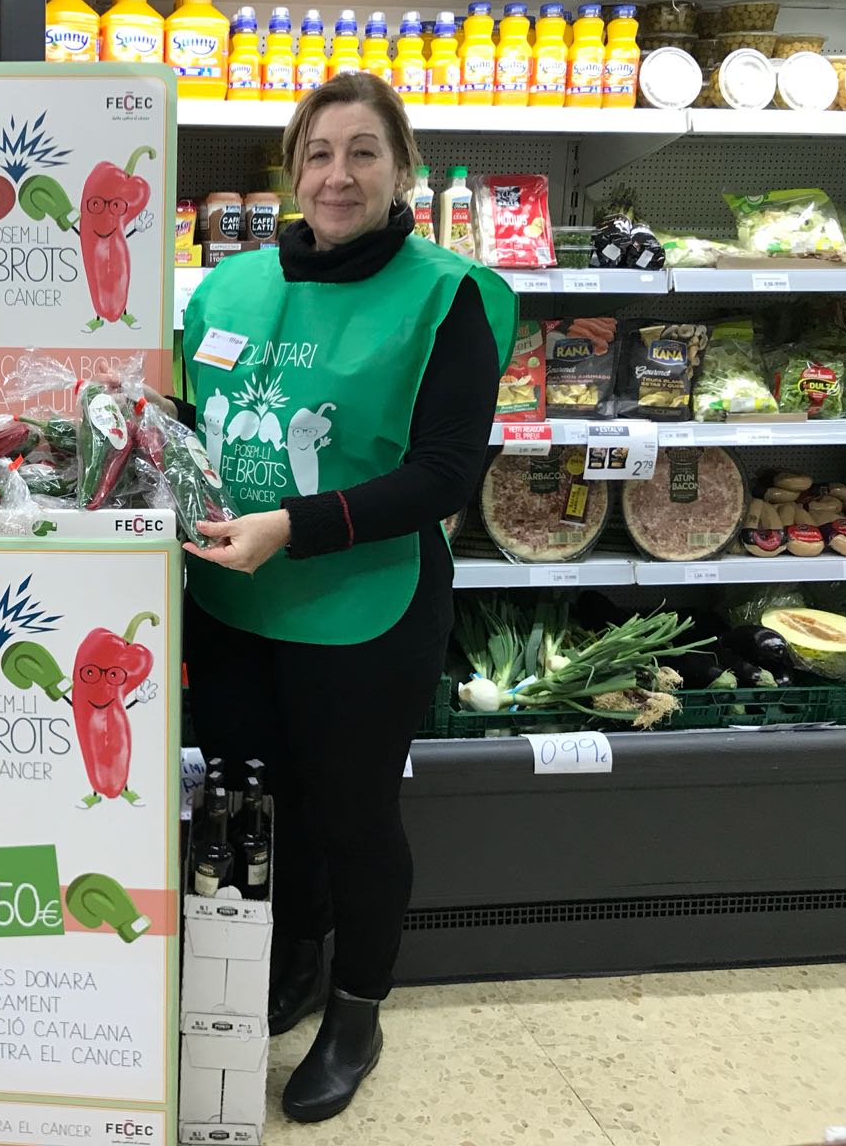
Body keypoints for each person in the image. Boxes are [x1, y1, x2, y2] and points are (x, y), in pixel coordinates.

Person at [156, 73, 516, 1122]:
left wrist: (292, 527)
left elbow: (444, 474)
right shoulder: (227, 289)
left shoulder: (448, 295)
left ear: (402, 168)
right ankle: (294, 963)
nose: (338, 175)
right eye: (318, 153)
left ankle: (357, 1011)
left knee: (354, 818)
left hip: (368, 606)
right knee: (262, 806)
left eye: (364, 152)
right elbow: (196, 419)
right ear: (291, 172)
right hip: (234, 606)